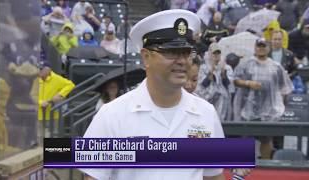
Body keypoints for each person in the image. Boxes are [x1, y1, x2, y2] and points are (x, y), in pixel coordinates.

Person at [81, 9, 225, 180]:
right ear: (146, 57)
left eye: (186, 52)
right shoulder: (111, 115)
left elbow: (213, 176)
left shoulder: (206, 113)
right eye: (171, 52)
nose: (181, 61)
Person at [233, 38, 293, 159]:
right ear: (255, 48)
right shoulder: (246, 63)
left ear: (268, 48)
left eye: (263, 46)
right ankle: (243, 169)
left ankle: (266, 167)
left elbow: (284, 87)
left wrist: (278, 106)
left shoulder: (276, 66)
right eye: (259, 46)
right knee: (246, 140)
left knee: (266, 140)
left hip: (268, 111)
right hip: (247, 110)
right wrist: (248, 83)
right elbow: (235, 80)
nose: (261, 48)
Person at [38, 61, 75, 144]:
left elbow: (70, 85)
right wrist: (41, 102)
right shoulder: (36, 79)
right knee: (39, 135)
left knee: (53, 135)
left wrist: (60, 95)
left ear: (48, 70)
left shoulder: (56, 79)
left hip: (53, 114)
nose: (39, 71)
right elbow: (32, 94)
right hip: (39, 113)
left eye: (41, 69)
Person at [195, 43, 233, 121]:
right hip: (207, 100)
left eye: (218, 53)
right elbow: (202, 85)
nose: (216, 55)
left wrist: (223, 73)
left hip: (222, 102)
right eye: (214, 53)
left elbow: (230, 87)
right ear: (209, 53)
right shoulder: (202, 68)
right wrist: (211, 70)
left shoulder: (227, 68)